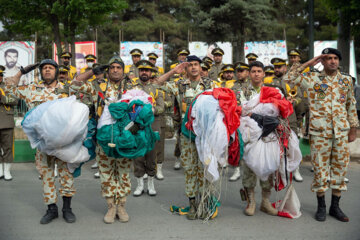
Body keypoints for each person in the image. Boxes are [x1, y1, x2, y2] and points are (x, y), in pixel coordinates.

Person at [283, 48, 359, 222]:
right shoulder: (311, 78)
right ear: (322, 62)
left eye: (335, 58)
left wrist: (353, 127)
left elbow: (350, 104)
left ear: (339, 61)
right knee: (320, 170)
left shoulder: (346, 80)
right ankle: (321, 207)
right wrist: (310, 63)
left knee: (340, 168)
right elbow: (288, 78)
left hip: (340, 132)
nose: (332, 61)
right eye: (328, 59)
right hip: (319, 133)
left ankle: (335, 206)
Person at [4, 59, 76, 224]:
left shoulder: (67, 88)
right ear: (40, 72)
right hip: (42, 143)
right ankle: (51, 209)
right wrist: (21, 72)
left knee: (66, 174)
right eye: (44, 68)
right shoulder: (31, 89)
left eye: (51, 68)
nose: (47, 71)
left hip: (64, 142)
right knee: (46, 175)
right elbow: (7, 89)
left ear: (56, 71)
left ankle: (67, 208)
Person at [72, 56, 131, 224]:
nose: (115, 70)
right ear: (108, 70)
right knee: (106, 173)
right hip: (103, 139)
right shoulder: (98, 86)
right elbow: (74, 84)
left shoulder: (131, 87)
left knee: (123, 174)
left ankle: (122, 206)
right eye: (111, 67)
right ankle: (111, 206)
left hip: (124, 139)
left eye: (118, 67)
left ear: (123, 69)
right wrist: (92, 72)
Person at [157, 56, 213, 220]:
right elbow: (156, 83)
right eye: (190, 65)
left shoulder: (211, 85)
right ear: (186, 69)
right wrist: (174, 71)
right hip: (187, 135)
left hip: (206, 136)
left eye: (196, 65)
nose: (194, 68)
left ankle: (204, 201)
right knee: (189, 169)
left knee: (205, 169)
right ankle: (193, 203)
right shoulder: (179, 85)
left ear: (201, 67)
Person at [240, 61, 279, 217]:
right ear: (249, 74)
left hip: (268, 134)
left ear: (264, 74)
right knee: (248, 170)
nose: (256, 74)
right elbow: (238, 111)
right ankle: (251, 202)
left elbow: (278, 110)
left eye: (259, 71)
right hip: (248, 134)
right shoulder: (241, 91)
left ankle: (265, 202)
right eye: (253, 71)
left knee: (268, 168)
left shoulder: (271, 91)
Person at [127, 60, 164, 194]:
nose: (144, 72)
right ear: (138, 72)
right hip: (137, 127)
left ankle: (151, 184)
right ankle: (139, 185)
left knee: (151, 155)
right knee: (138, 156)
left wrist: (150, 110)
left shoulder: (156, 89)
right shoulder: (132, 89)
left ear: (151, 73)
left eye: (147, 70)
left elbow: (161, 107)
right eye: (141, 70)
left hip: (152, 125)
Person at [270, 57, 304, 182]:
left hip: (290, 117)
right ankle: (277, 172)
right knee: (275, 145)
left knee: (293, 144)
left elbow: (300, 99)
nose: (277, 69)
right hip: (274, 118)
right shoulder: (269, 81)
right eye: (275, 67)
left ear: (285, 68)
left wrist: (290, 104)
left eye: (279, 67)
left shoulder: (292, 82)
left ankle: (296, 169)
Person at [0, 65, 18, 181]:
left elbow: (15, 100)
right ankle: (0, 171)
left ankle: (7, 171)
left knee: (7, 148)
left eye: (0, 75)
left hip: (6, 122)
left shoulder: (8, 87)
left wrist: (2, 98)